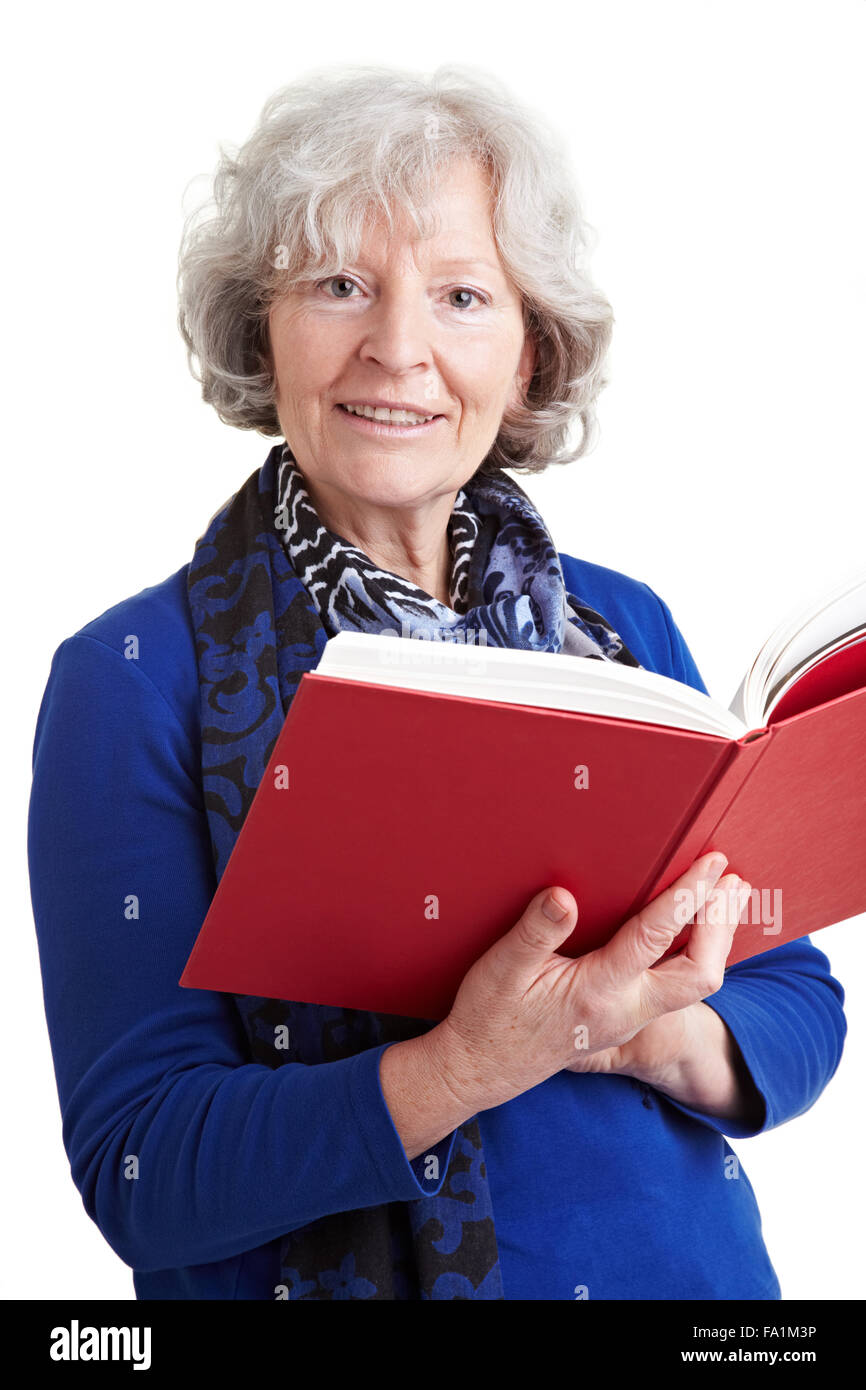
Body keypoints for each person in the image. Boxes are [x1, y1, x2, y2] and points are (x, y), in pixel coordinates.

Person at [28, 63, 845, 1301]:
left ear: (527, 356)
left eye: (461, 295)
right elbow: (145, 1166)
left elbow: (795, 997)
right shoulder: (134, 681)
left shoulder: (618, 628)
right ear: (263, 331)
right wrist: (467, 1061)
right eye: (339, 286)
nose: (397, 348)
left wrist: (646, 1034)